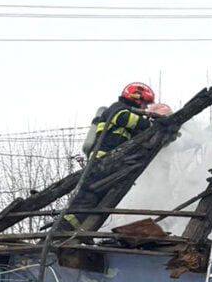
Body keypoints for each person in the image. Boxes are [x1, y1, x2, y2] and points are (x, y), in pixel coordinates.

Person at [59, 83, 169, 233]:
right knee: (84, 203)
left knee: (95, 203)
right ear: (136, 98)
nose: (145, 108)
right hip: (101, 163)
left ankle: (76, 232)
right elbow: (129, 120)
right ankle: (61, 231)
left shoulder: (129, 116)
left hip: (111, 166)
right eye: (144, 103)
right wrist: (152, 123)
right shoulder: (117, 109)